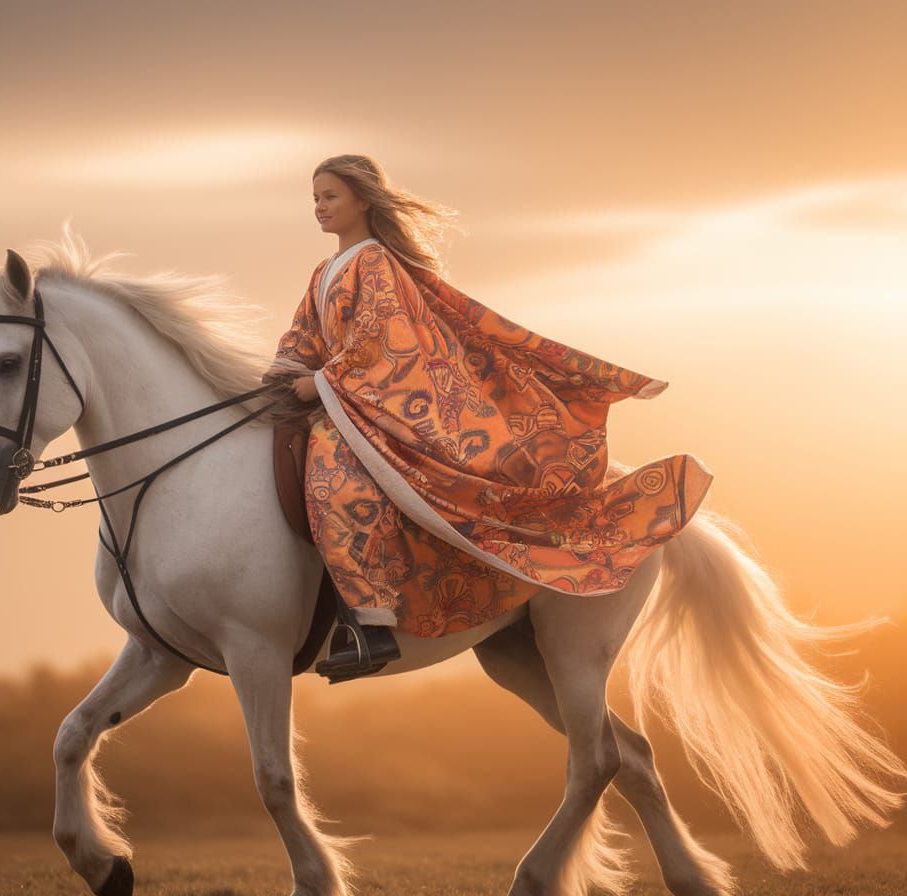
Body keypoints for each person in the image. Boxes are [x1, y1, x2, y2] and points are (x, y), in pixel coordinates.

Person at [264, 154, 713, 682]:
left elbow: (382, 342)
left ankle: (368, 622)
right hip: (337, 399)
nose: (319, 207)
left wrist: (320, 381)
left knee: (338, 482)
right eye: (315, 198)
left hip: (364, 405)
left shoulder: (376, 263)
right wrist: (281, 374)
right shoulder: (326, 271)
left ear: (362, 200)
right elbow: (304, 335)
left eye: (330, 196)